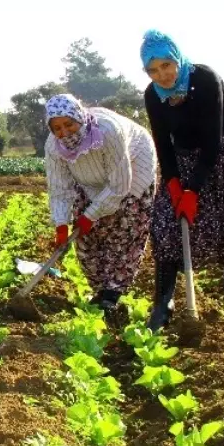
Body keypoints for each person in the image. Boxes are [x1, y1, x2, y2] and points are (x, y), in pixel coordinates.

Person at [141, 29, 224, 331]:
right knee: (168, 225)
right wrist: (174, 187)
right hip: (183, 158)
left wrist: (193, 192)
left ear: (177, 59)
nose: (162, 75)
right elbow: (163, 145)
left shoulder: (205, 80)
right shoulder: (153, 97)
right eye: (152, 70)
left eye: (166, 65)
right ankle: (162, 305)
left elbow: (212, 144)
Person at [44, 94, 157, 315]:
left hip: (132, 167)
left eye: (69, 124)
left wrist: (92, 214)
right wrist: (61, 224)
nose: (64, 132)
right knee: (86, 236)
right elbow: (59, 188)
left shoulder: (108, 132)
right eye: (57, 128)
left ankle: (113, 293)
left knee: (124, 228)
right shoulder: (53, 146)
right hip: (88, 179)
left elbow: (118, 186)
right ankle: (99, 289)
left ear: (80, 117)